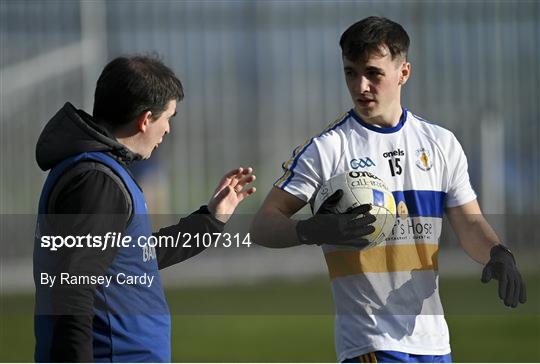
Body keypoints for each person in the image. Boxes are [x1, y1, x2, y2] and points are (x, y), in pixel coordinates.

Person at [250, 16, 526, 363]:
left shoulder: (441, 144)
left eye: (373, 73)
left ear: (403, 73)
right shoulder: (328, 149)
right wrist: (309, 229)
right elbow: (262, 224)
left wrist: (498, 253)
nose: (360, 85)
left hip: (434, 343)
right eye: (351, 72)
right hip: (370, 343)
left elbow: (470, 223)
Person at [34, 55, 256, 362]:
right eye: (168, 118)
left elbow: (134, 257)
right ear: (145, 119)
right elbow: (74, 290)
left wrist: (210, 221)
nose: (167, 130)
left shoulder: (101, 172)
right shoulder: (97, 183)